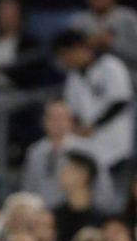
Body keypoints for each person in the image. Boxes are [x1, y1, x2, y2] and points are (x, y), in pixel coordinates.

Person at [53, 29, 133, 170]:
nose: (64, 61)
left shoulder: (111, 65)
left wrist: (94, 126)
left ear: (76, 49)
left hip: (115, 144)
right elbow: (71, 108)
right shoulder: (73, 77)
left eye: (64, 56)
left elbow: (120, 101)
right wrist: (77, 125)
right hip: (87, 146)